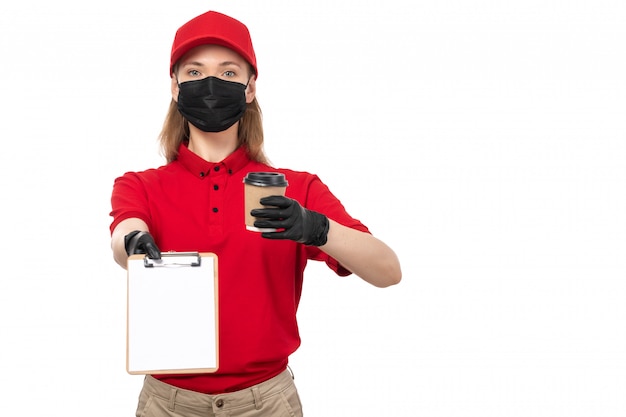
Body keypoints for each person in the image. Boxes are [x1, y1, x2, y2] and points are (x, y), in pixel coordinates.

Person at [109, 10, 401, 417]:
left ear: (249, 89)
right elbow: (125, 233)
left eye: (228, 73)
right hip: (167, 403)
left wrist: (314, 227)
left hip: (266, 402)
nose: (211, 84)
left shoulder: (296, 188)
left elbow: (388, 271)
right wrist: (134, 243)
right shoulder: (140, 185)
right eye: (195, 72)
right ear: (174, 87)